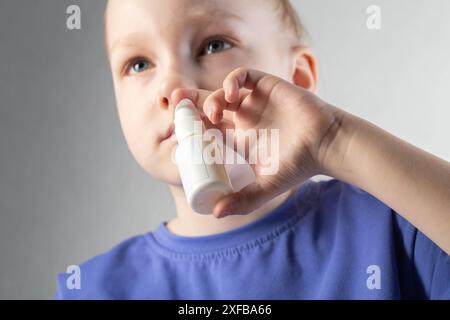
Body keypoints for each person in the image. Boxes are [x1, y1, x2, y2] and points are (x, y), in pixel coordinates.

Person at [56, 0, 450, 299]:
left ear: (297, 77)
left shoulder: (394, 226)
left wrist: (333, 138)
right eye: (139, 64)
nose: (173, 88)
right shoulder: (91, 288)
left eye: (213, 45)